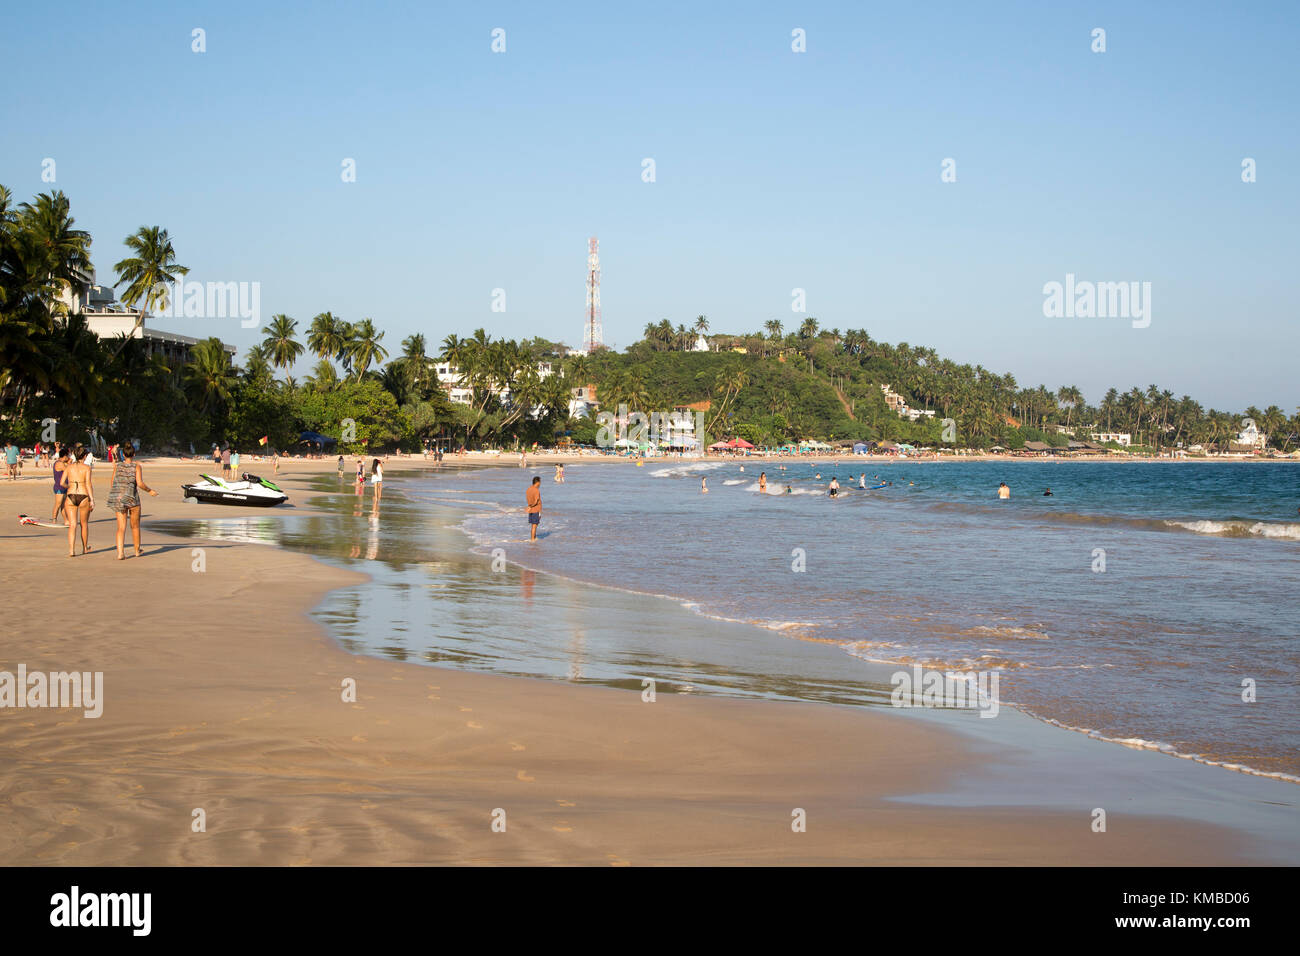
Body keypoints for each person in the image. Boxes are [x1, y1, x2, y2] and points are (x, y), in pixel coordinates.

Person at [108, 442, 159, 560]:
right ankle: (137, 550)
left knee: (121, 527)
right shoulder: (136, 466)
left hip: (119, 498)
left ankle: (120, 553)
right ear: (134, 454)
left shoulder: (117, 466)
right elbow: (140, 483)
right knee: (135, 526)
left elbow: (112, 483)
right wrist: (150, 491)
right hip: (132, 498)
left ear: (123, 454)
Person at [63, 445, 94, 556]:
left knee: (72, 525)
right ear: (84, 456)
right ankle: (85, 548)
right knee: (84, 524)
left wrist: (69, 486)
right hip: (83, 495)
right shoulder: (86, 468)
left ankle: (71, 550)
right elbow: (88, 484)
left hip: (71, 495)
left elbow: (62, 482)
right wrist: (92, 500)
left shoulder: (69, 467)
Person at [51, 447, 70, 524]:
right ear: (64, 456)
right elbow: (68, 470)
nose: (68, 457)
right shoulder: (59, 463)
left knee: (63, 505)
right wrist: (69, 463)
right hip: (59, 487)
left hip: (64, 486)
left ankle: (66, 521)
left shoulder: (63, 463)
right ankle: (54, 519)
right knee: (58, 504)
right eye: (67, 456)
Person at [526, 475, 542, 542]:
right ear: (537, 482)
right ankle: (532, 540)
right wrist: (531, 506)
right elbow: (536, 501)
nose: (540, 484)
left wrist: (529, 506)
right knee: (534, 526)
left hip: (531, 510)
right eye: (540, 482)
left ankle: (534, 538)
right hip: (536, 509)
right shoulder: (536, 490)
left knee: (533, 526)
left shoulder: (528, 489)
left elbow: (528, 499)